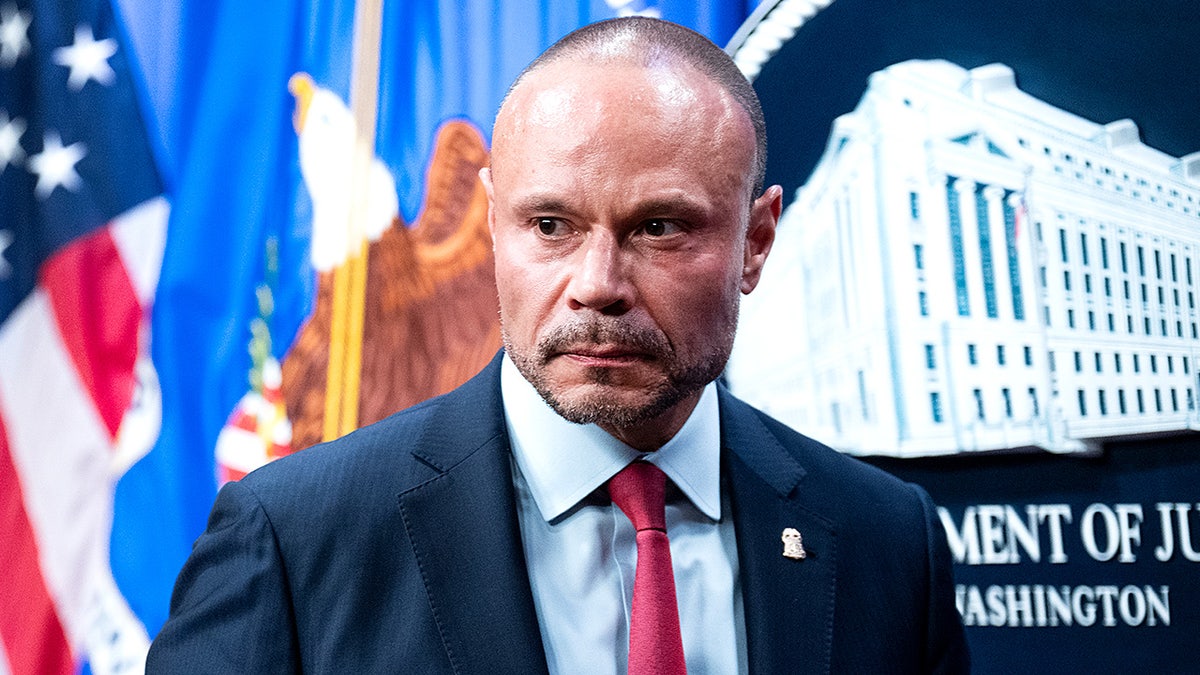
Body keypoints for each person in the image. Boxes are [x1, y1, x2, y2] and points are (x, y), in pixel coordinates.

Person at [147, 16, 969, 674]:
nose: (597, 282)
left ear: (755, 242)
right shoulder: (294, 538)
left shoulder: (887, 542)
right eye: (550, 225)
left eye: (659, 226)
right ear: (496, 226)